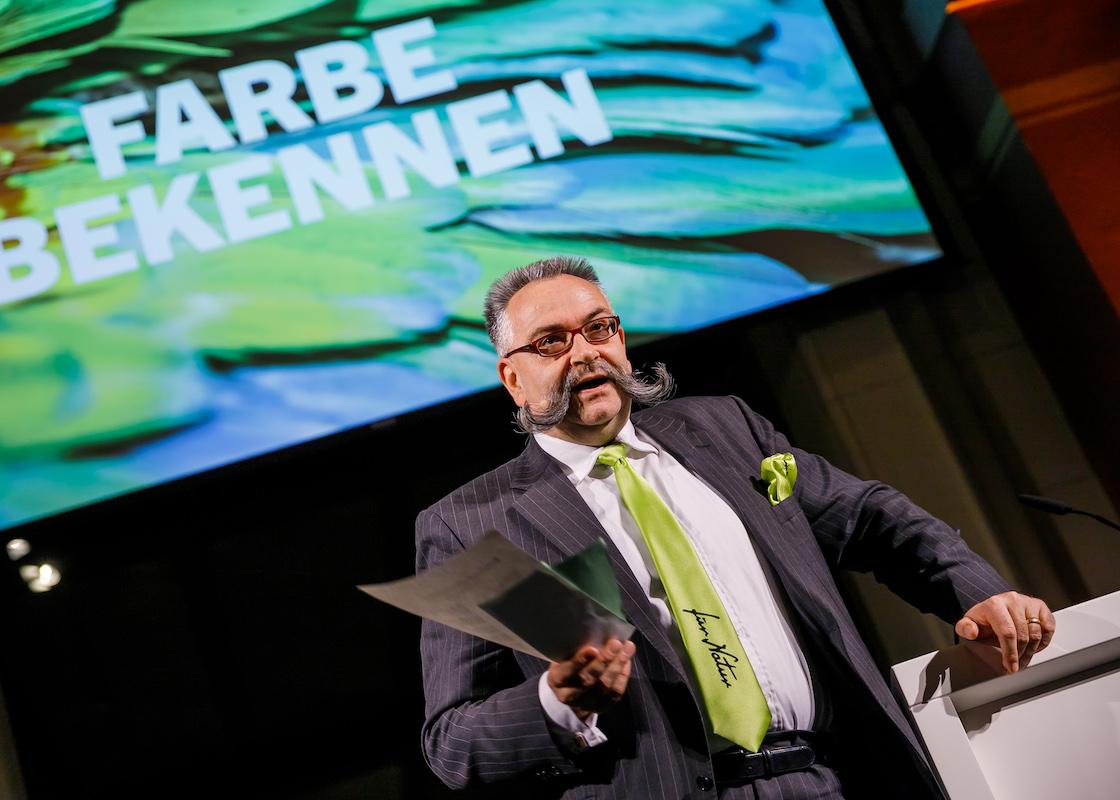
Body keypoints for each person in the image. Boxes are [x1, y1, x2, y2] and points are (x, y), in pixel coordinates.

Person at [415, 256, 1055, 799]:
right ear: (512, 377)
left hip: (832, 778)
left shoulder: (724, 429)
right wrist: (558, 700)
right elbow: (453, 742)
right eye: (552, 341)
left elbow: (869, 517)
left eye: (599, 328)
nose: (585, 353)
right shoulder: (473, 524)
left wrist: (974, 590)